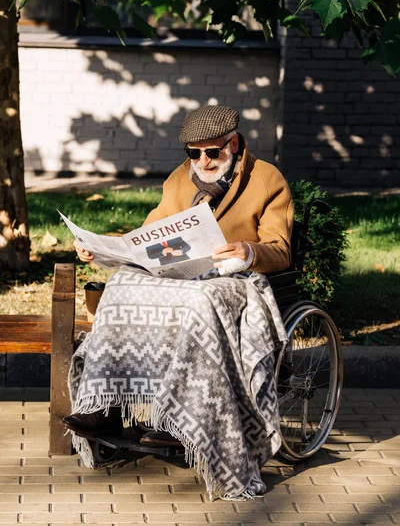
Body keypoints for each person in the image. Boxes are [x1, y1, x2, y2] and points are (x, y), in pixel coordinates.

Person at [64, 105, 294, 500]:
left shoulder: (267, 179)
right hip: (181, 277)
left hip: (235, 279)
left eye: (212, 153)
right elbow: (148, 234)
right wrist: (101, 250)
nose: (202, 161)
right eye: (193, 153)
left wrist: (248, 250)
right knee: (120, 285)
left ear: (233, 144)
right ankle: (102, 406)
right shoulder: (178, 181)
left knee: (199, 302)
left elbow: (281, 249)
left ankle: (179, 417)